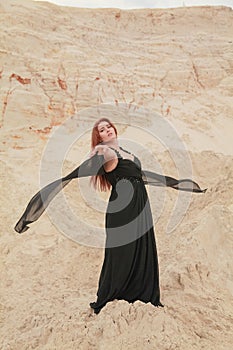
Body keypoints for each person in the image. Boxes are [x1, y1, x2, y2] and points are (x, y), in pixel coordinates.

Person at [14, 117, 206, 315]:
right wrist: (97, 150)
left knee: (143, 245)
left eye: (108, 127)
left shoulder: (126, 152)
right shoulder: (105, 151)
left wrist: (179, 184)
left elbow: (140, 176)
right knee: (122, 250)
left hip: (140, 203)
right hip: (123, 208)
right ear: (99, 138)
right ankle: (113, 294)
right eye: (102, 130)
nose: (107, 131)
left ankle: (142, 293)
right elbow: (94, 158)